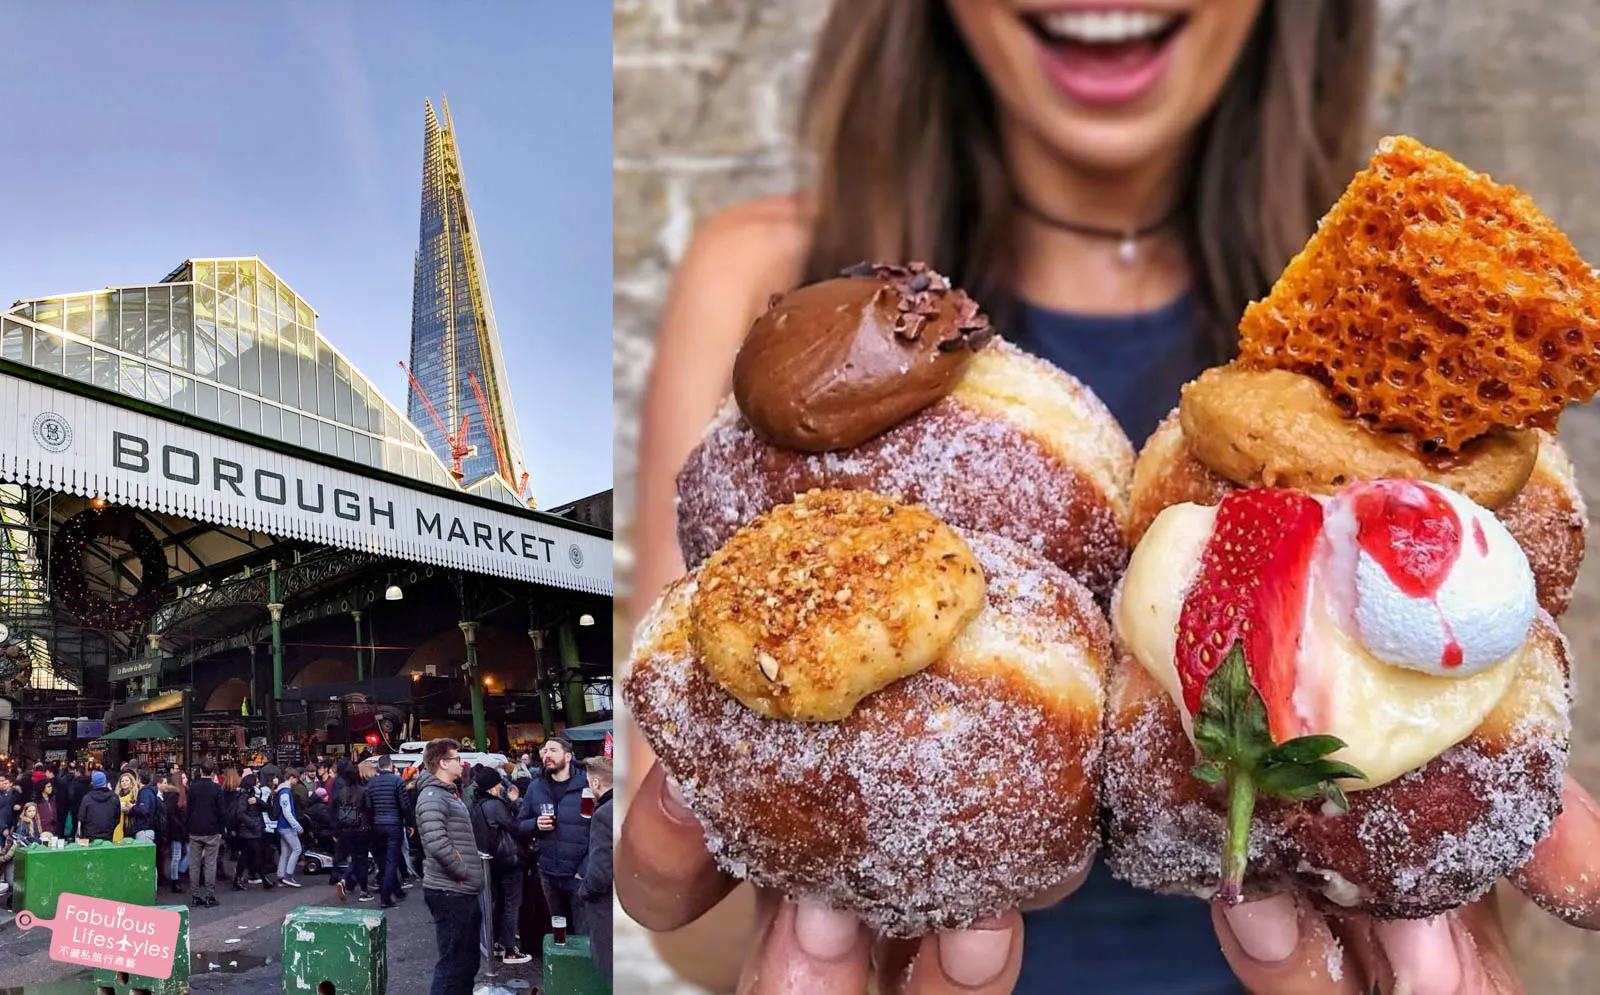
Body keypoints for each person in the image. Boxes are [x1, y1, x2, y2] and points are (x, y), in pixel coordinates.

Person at [415, 738, 483, 995]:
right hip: (451, 890)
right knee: (453, 964)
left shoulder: (444, 794)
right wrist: (463, 873)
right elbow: (437, 842)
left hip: (458, 889)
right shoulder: (432, 796)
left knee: (465, 962)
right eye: (457, 758)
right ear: (443, 763)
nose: (461, 763)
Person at [518, 737, 589, 933]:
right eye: (545, 751)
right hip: (548, 873)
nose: (547, 755)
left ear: (568, 756)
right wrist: (535, 824)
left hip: (578, 875)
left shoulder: (587, 785)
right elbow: (519, 824)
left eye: (553, 750)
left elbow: (601, 829)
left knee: (583, 934)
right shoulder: (536, 787)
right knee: (560, 933)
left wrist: (584, 869)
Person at [469, 764, 532, 965]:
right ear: (493, 786)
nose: (501, 786)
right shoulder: (495, 805)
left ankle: (497, 942)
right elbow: (516, 827)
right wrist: (515, 803)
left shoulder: (477, 804)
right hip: (508, 859)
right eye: (498, 783)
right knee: (512, 902)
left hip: (493, 860)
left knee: (501, 902)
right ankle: (510, 949)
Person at [576, 756, 613, 980]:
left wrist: (584, 890)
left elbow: (600, 874)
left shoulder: (604, 814)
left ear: (596, 783)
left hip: (608, 910)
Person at [366, 753, 410, 908]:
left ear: (378, 767)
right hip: (394, 824)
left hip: (376, 825)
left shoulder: (371, 783)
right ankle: (386, 897)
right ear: (391, 766)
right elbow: (404, 805)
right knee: (392, 860)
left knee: (384, 860)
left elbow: (368, 806)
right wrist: (410, 823)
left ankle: (397, 891)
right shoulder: (397, 781)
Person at [331, 761, 375, 903]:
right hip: (362, 830)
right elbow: (369, 809)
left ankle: (346, 881)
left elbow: (334, 811)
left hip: (346, 829)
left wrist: (336, 831)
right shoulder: (363, 791)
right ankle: (363, 890)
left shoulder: (340, 793)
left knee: (354, 858)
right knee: (362, 860)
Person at [187, 760, 227, 907]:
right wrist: (222, 829)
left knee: (195, 863)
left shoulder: (193, 788)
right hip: (212, 829)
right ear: (212, 772)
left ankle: (195, 895)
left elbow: (189, 809)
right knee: (210, 863)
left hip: (195, 828)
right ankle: (210, 895)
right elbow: (222, 811)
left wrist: (188, 826)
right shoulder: (217, 789)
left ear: (200, 771)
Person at [232, 774, 271, 890]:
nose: (259, 784)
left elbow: (265, 806)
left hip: (250, 830)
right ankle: (264, 879)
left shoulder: (252, 796)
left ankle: (237, 879)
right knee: (257, 854)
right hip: (249, 831)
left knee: (246, 855)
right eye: (257, 782)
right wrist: (252, 824)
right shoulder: (245, 797)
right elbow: (241, 814)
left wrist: (258, 801)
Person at [275, 768, 305, 887]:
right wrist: (297, 826)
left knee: (285, 852)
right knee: (297, 849)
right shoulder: (285, 792)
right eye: (296, 779)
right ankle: (288, 876)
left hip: (282, 825)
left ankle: (281, 876)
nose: (297, 781)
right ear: (291, 778)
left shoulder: (282, 790)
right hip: (287, 826)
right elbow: (287, 812)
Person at [160, 771, 188, 894]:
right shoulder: (174, 794)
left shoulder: (184, 792)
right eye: (183, 777)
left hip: (181, 828)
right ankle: (175, 879)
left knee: (186, 852)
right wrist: (181, 825)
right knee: (177, 855)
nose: (186, 779)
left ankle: (177, 874)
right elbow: (170, 813)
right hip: (177, 829)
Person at [75, 771, 119, 842]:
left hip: (90, 836)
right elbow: (117, 818)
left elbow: (81, 818)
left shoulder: (87, 798)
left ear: (93, 783)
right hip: (108, 835)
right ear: (105, 782)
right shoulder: (114, 797)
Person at [127, 770, 162, 845]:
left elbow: (143, 810)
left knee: (143, 851)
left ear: (139, 779)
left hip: (144, 830)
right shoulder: (148, 791)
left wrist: (132, 807)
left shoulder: (145, 792)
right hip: (147, 828)